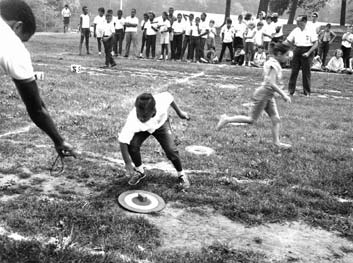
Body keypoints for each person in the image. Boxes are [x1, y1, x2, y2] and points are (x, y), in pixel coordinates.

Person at [0, 0, 75, 158]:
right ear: (17, 26)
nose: (21, 43)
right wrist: (59, 140)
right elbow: (36, 108)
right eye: (22, 39)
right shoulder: (12, 45)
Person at [216, 43, 292, 149]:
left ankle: (276, 143)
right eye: (287, 55)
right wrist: (283, 95)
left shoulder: (272, 62)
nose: (288, 57)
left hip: (268, 95)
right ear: (279, 54)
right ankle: (226, 119)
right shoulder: (273, 64)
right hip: (263, 94)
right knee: (251, 119)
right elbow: (271, 82)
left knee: (276, 119)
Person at [119, 92, 191, 188]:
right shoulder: (133, 119)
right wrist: (128, 162)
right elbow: (123, 141)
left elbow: (169, 97)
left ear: (153, 111)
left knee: (171, 150)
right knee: (133, 145)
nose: (140, 118)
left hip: (161, 125)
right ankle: (140, 171)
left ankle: (181, 174)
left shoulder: (161, 101)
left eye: (144, 116)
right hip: (143, 129)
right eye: (138, 114)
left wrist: (180, 113)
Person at [283, 15, 318, 96]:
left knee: (306, 73)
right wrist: (281, 44)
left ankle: (307, 92)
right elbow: (288, 41)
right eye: (297, 21)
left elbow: (316, 43)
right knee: (294, 71)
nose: (297, 23)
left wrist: (308, 53)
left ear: (304, 21)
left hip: (307, 50)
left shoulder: (310, 30)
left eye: (299, 21)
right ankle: (291, 91)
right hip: (297, 50)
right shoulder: (296, 30)